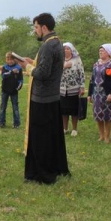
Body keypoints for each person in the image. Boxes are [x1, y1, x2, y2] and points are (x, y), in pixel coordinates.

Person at [17, 13, 70, 184]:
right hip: (53, 98)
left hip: (42, 99)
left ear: (44, 28)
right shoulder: (57, 42)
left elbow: (43, 73)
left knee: (41, 138)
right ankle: (56, 167)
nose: (35, 31)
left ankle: (42, 174)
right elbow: (50, 66)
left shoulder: (48, 46)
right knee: (53, 137)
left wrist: (27, 67)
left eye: (36, 27)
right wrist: (33, 62)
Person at [87, 44, 111, 143]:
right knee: (98, 115)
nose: (100, 52)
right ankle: (101, 135)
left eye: (103, 50)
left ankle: (107, 136)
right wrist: (89, 94)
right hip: (96, 93)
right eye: (100, 50)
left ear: (108, 52)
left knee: (107, 116)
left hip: (107, 93)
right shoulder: (96, 64)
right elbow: (91, 80)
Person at [60, 42, 85, 137]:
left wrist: (82, 87)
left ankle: (74, 129)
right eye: (64, 49)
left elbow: (81, 73)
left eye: (68, 49)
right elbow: (56, 71)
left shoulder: (77, 59)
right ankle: (65, 128)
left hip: (74, 88)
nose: (66, 50)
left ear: (71, 50)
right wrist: (65, 66)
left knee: (74, 110)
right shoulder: (60, 60)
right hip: (62, 89)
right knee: (63, 110)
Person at [0, 52, 23, 129]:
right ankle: (1, 122)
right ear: (6, 60)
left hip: (14, 91)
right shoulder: (4, 67)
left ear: (15, 60)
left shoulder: (19, 68)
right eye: (8, 59)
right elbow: (3, 76)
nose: (10, 61)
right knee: (3, 107)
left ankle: (16, 123)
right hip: (5, 90)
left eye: (12, 59)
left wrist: (18, 87)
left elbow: (20, 80)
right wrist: (12, 72)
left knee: (15, 108)